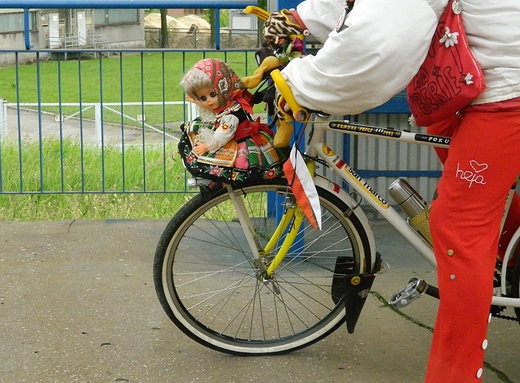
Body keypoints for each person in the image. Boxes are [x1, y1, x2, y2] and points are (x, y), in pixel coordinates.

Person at [261, 0, 520, 382]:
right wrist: (300, 18)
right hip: (483, 81)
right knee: (493, 213)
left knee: (458, 229)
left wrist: (300, 83)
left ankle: (456, 374)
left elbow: (380, 35)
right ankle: (504, 270)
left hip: (504, 90)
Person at [178, 58, 287, 186]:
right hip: (228, 136)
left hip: (238, 141)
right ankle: (218, 183)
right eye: (203, 97)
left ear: (223, 88)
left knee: (225, 164)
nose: (208, 101)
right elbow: (214, 112)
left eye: (213, 94)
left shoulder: (231, 115)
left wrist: (207, 146)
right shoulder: (227, 104)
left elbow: (223, 136)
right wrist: (197, 101)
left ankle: (220, 184)